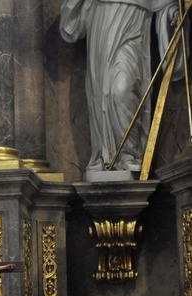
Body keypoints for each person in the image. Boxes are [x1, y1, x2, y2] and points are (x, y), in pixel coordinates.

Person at [60, 0, 181, 173]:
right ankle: (106, 154)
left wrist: (172, 11)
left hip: (135, 19)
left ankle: (128, 152)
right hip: (102, 15)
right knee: (103, 91)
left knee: (121, 89)